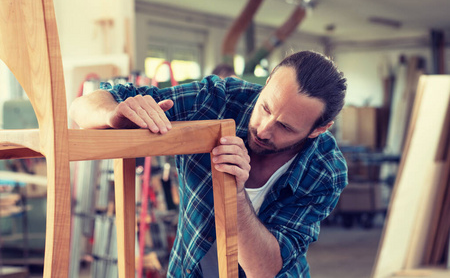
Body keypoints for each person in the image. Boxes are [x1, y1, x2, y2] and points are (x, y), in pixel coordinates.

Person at [70, 50, 348, 278]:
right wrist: (114, 113)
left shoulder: (326, 169)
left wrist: (235, 193)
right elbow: (82, 107)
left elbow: (264, 269)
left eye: (286, 127)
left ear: (318, 129)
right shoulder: (219, 100)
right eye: (265, 107)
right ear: (267, 83)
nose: (264, 129)